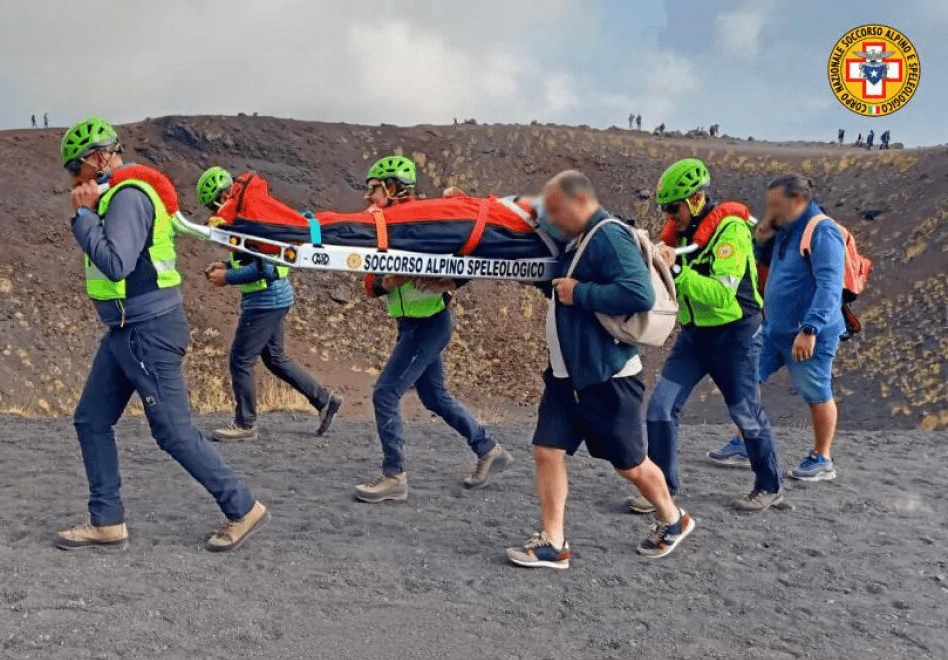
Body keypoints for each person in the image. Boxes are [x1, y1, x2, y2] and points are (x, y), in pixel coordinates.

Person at [56, 117, 269, 552]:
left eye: (74, 169)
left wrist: (81, 216)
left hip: (147, 330)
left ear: (96, 159)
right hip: (123, 330)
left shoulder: (129, 197)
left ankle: (243, 507)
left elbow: (117, 263)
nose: (72, 180)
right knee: (91, 419)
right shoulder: (114, 195)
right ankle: (106, 520)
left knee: (172, 431)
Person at [505, 170, 695, 569]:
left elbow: (637, 293)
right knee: (547, 451)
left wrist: (579, 293)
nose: (552, 219)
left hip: (608, 378)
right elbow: (564, 284)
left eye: (556, 210)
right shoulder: (576, 240)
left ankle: (673, 519)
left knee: (630, 463)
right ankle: (553, 543)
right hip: (567, 376)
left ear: (579, 202)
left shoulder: (608, 234)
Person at [353, 155, 512, 503]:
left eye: (373, 189)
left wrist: (452, 281)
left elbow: (473, 250)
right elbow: (369, 284)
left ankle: (394, 476)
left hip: (429, 324)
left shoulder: (427, 221)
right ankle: (489, 449)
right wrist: (387, 281)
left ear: (392, 188)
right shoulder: (382, 226)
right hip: (411, 324)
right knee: (434, 396)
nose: (367, 197)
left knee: (385, 392)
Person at [633, 159, 783, 514]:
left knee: (745, 413)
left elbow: (720, 295)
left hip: (736, 337)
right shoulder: (682, 235)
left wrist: (676, 271)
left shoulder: (730, 231)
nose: (670, 216)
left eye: (674, 208)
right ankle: (663, 489)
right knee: (660, 407)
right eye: (666, 209)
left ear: (696, 200)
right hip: (696, 337)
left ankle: (769, 485)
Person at [707, 173, 844, 481]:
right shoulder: (787, 229)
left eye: (775, 204)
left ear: (797, 201)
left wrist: (810, 329)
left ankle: (823, 458)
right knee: (747, 377)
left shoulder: (822, 231)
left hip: (808, 333)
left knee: (816, 391)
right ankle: (746, 442)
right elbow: (766, 264)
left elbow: (830, 285)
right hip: (776, 329)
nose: (770, 209)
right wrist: (762, 239)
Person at [195, 165, 343, 441]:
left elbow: (264, 268)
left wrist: (227, 276)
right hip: (275, 296)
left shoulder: (249, 219)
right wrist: (226, 265)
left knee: (240, 359)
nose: (214, 213)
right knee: (275, 358)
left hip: (265, 299)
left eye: (212, 205)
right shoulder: (247, 215)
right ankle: (325, 400)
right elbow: (251, 258)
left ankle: (245, 424)